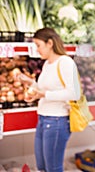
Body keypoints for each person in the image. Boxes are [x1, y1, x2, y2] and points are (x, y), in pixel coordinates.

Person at [17, 27, 81, 172]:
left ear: (50, 43)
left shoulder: (65, 62)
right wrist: (29, 82)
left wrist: (44, 95)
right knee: (41, 167)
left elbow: (74, 93)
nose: (37, 50)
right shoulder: (47, 64)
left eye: (38, 45)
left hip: (57, 121)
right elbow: (42, 88)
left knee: (53, 168)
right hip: (43, 119)